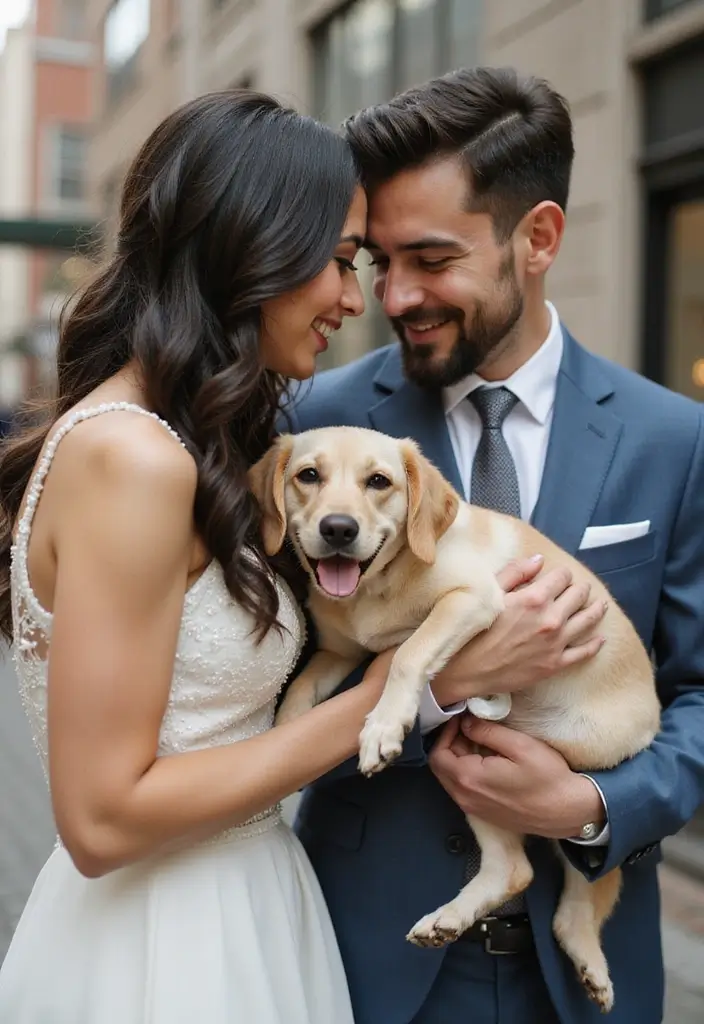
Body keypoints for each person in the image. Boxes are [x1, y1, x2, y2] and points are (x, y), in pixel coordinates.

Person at [287, 67, 704, 1024]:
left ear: (539, 239)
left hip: (586, 981)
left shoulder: (673, 439)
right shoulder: (314, 429)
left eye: (431, 259)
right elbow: (269, 694)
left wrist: (591, 809)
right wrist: (434, 686)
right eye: (377, 262)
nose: (396, 295)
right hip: (361, 969)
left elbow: (699, 693)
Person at [0, 89, 379, 1024]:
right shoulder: (134, 458)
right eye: (339, 261)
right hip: (167, 944)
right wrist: (386, 700)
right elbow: (102, 818)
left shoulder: (188, 443)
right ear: (253, 244)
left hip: (246, 905)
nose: (353, 298)